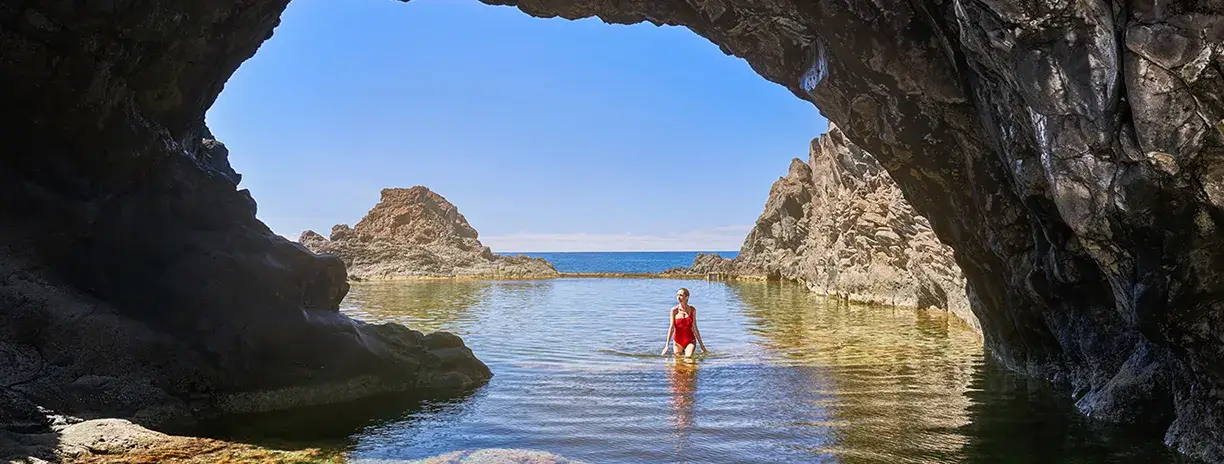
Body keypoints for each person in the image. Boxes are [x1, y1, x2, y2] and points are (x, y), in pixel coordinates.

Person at [661, 287, 707, 357]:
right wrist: (666, 346)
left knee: (688, 358)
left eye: (681, 295)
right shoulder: (674, 310)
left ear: (687, 297)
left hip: (690, 341)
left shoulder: (692, 310)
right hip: (677, 342)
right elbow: (671, 328)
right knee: (678, 364)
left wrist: (702, 345)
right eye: (677, 295)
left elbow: (695, 328)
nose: (678, 297)